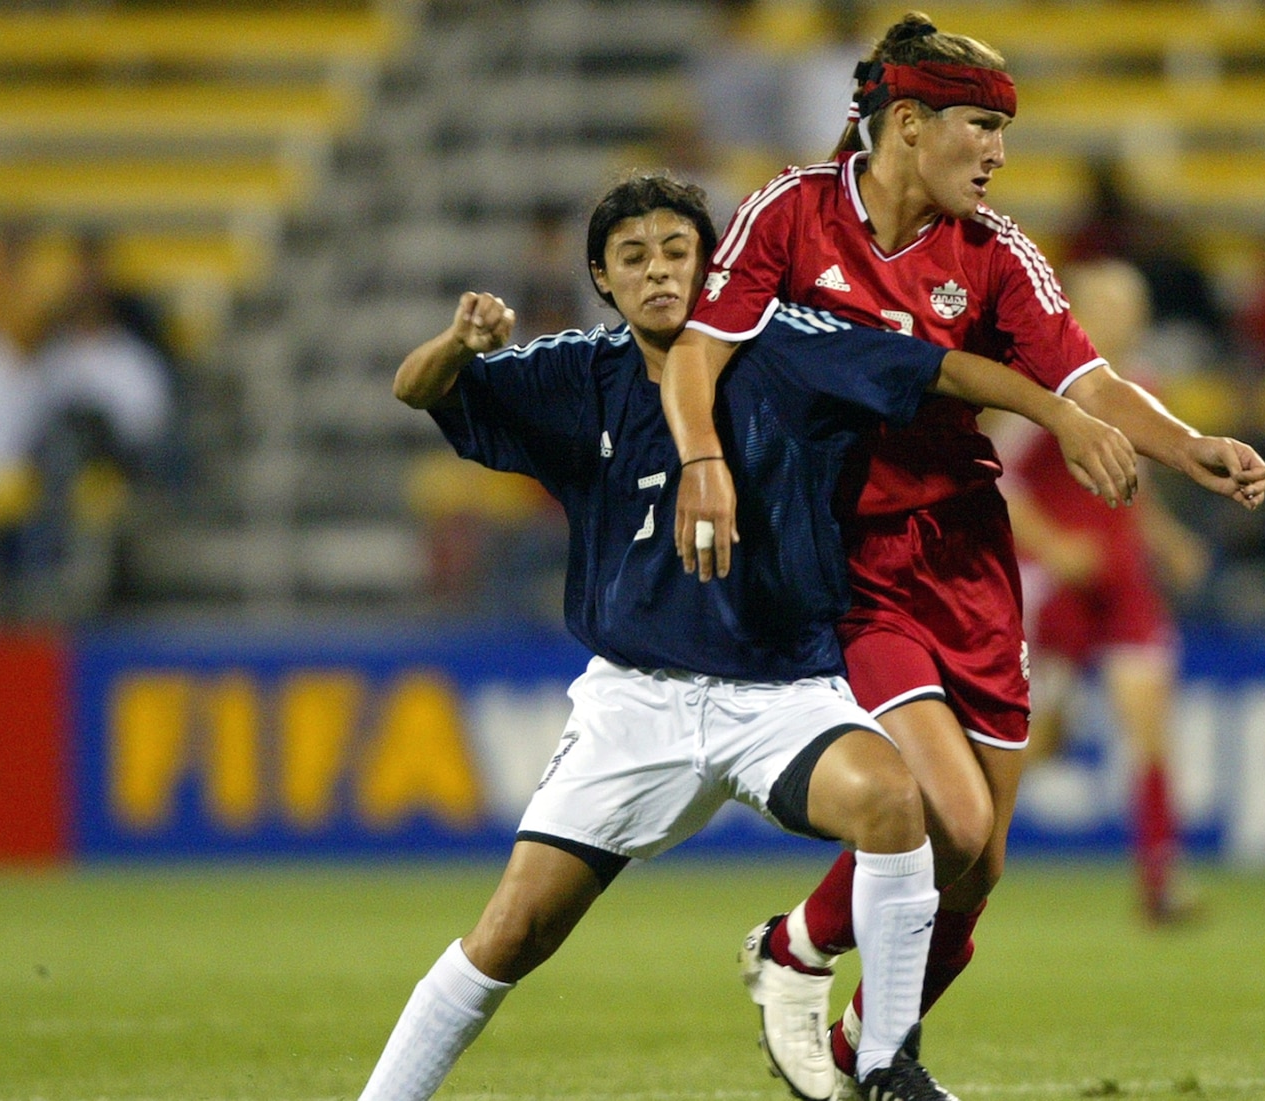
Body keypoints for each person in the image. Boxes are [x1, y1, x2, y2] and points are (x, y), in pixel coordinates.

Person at [356, 173, 1137, 1101]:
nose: (658, 274)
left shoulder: (788, 348)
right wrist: (458, 341)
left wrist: (1062, 410)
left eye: (678, 251)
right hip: (637, 701)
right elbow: (418, 390)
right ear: (603, 280)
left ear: (712, 261)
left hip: (780, 691)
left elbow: (936, 368)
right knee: (512, 932)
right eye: (633, 259)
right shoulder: (575, 375)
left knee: (898, 803)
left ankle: (886, 1062)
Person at [656, 14, 1265, 1099]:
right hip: (852, 559)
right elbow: (698, 352)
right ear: (905, 122)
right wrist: (702, 461)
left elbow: (1084, 380)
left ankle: (852, 1050)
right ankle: (814, 966)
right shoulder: (790, 216)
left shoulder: (995, 253)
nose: (995, 151)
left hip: (967, 561)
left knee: (977, 864)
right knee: (952, 809)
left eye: (1001, 131)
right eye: (979, 126)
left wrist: (1184, 449)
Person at [994, 259, 1210, 925]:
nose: (1120, 316)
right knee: (1033, 742)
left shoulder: (1140, 386)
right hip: (1057, 587)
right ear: (1075, 309)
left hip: (1122, 582)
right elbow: (997, 476)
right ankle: (953, 855)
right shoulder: (1043, 388)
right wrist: (1055, 546)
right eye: (1105, 303)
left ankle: (1160, 880)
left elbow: (1131, 483)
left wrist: (1166, 538)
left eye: (1129, 304)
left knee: (1148, 723)